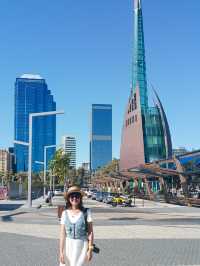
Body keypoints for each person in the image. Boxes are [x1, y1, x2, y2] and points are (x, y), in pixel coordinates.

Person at [59, 186, 94, 266]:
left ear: (80, 198)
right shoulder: (64, 213)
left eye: (77, 196)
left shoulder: (86, 212)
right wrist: (61, 252)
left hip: (81, 246)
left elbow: (90, 232)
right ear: (68, 198)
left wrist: (90, 249)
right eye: (72, 196)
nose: (74, 198)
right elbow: (62, 234)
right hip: (68, 246)